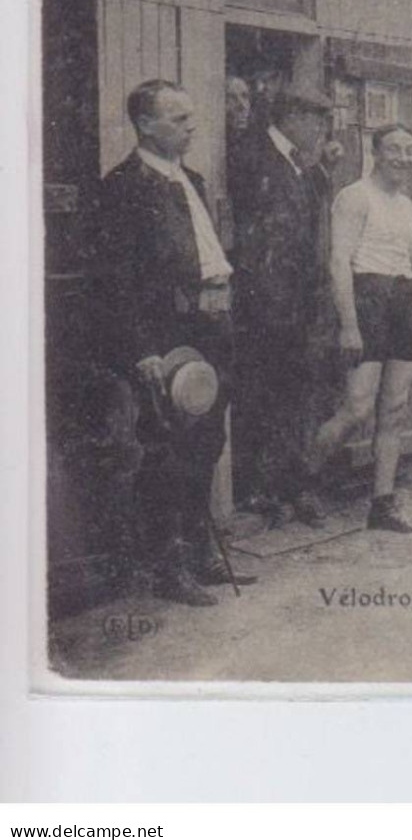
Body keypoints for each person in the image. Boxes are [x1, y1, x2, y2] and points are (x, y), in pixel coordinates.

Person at [92, 79, 256, 605]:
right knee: (168, 451)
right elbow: (114, 280)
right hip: (168, 336)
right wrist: (142, 349)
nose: (191, 127)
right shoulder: (123, 187)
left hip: (212, 327)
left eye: (190, 118)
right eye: (179, 119)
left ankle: (199, 551)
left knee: (207, 442)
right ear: (144, 124)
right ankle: (169, 565)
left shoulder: (194, 180)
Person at [310, 124, 412, 534]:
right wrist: (349, 325)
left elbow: (410, 268)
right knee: (358, 409)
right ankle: (299, 481)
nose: (402, 157)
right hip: (365, 300)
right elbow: (338, 262)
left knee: (394, 409)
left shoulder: (408, 205)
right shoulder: (355, 197)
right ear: (376, 153)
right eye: (394, 149)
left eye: (409, 151)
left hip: (400, 303)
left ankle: (382, 504)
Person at [229, 80, 337, 528]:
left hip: (301, 311)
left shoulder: (304, 169)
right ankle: (261, 491)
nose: (322, 132)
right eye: (318, 121)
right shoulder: (253, 159)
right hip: (265, 312)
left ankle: (295, 487)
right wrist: (272, 307)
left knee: (299, 401)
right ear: (294, 118)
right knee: (262, 400)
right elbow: (255, 244)